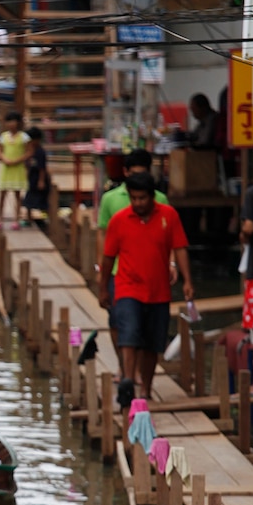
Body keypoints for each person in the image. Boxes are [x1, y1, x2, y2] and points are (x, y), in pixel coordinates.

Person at [99, 172, 194, 405]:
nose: (138, 203)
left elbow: (180, 247)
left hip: (158, 290)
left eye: (142, 198)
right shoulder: (119, 221)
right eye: (134, 198)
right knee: (129, 334)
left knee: (153, 343)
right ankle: (128, 382)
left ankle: (147, 390)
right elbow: (108, 258)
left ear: (152, 197)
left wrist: (187, 280)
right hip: (128, 287)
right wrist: (103, 288)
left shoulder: (168, 216)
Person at [96, 149, 169, 374]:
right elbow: (102, 233)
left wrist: (172, 264)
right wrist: (102, 267)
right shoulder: (110, 199)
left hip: (149, 272)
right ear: (125, 172)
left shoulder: (161, 201)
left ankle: (135, 372)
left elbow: (170, 237)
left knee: (144, 325)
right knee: (119, 320)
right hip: (119, 270)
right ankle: (124, 368)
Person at [0, 111, 30, 230]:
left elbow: (29, 152)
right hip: (6, 168)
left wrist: (17, 160)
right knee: (2, 193)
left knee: (17, 194)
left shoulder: (24, 137)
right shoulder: (3, 136)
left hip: (18, 167)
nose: (11, 124)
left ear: (18, 123)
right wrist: (4, 158)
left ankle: (16, 219)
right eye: (9, 121)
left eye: (13, 121)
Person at [23, 126, 50, 220]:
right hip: (32, 178)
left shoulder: (40, 152)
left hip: (39, 178)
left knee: (43, 200)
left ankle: (48, 218)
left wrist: (41, 181)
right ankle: (29, 218)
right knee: (28, 201)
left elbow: (42, 168)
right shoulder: (29, 151)